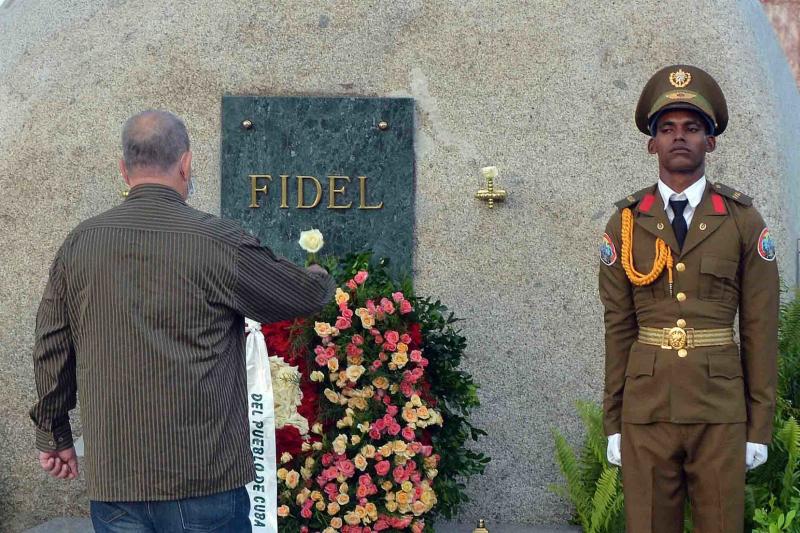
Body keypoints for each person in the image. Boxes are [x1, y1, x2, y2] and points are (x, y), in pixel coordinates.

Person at [29, 110, 336, 532]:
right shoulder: (215, 241)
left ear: (124, 168)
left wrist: (54, 431)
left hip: (117, 479)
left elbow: (51, 345)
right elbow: (303, 293)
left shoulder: (80, 244)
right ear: (186, 163)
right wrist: (320, 275)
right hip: (204, 478)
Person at [598, 65, 778, 532]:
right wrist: (613, 420)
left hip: (719, 410)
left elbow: (760, 328)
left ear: (711, 141)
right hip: (648, 407)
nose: (680, 137)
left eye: (693, 128)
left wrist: (759, 425)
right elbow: (618, 328)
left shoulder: (742, 220)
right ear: (652, 143)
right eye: (668, 128)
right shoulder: (625, 222)